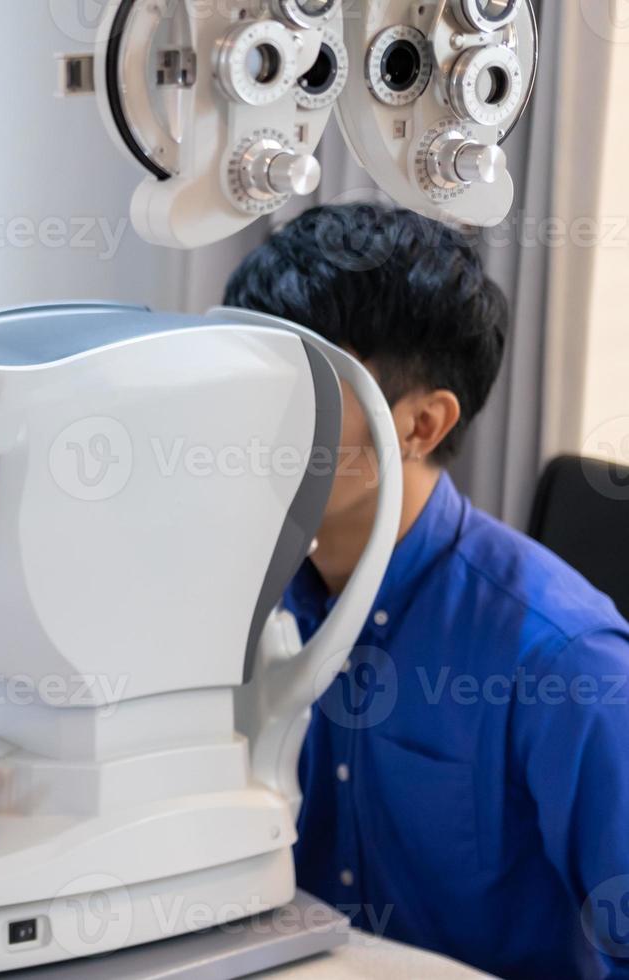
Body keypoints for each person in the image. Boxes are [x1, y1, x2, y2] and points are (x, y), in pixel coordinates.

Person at [224, 203, 629, 979]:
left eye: (302, 386)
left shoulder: (563, 662)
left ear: (419, 426)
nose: (251, 423)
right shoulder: (242, 600)